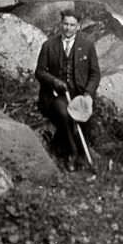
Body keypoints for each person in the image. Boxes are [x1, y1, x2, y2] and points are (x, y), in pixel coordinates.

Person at [35, 9, 101, 172]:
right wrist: (55, 82)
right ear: (61, 24)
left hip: (79, 94)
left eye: (72, 25)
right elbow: (40, 72)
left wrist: (87, 94)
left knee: (83, 117)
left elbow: (95, 73)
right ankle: (73, 153)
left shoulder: (87, 45)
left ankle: (78, 153)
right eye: (65, 24)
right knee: (64, 114)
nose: (68, 28)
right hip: (55, 95)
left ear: (78, 26)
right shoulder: (49, 45)